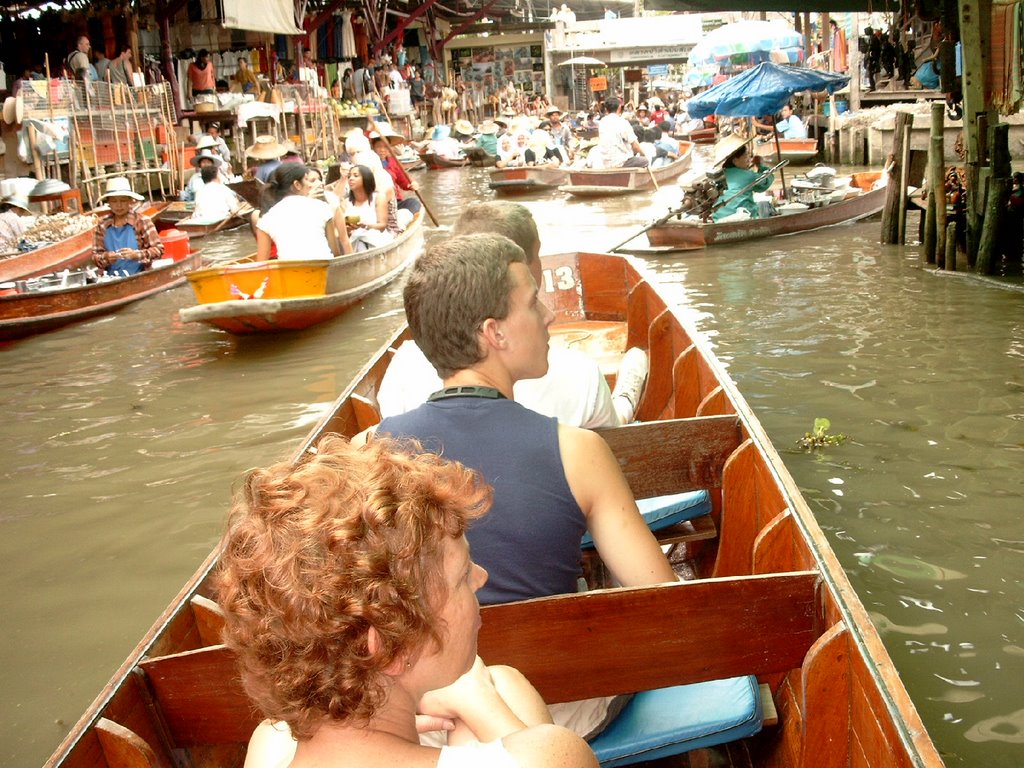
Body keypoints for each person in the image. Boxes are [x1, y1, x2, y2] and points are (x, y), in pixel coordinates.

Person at [217, 435, 597, 768]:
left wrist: (382, 699)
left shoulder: (267, 749)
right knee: (504, 684)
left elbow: (278, 731)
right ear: (388, 653)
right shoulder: (551, 754)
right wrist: (478, 701)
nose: (481, 578)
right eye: (462, 576)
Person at [364, 233, 675, 605]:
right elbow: (665, 599)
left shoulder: (368, 450)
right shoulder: (578, 453)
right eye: (532, 303)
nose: (549, 314)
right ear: (495, 333)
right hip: (547, 660)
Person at [376, 200, 647, 430]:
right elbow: (613, 445)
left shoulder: (400, 369)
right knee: (620, 407)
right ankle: (625, 399)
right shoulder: (579, 373)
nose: (550, 316)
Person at [256, 163, 351, 260]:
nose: (311, 185)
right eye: (307, 180)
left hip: (291, 272)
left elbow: (261, 263)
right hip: (324, 271)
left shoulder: (266, 219)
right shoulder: (322, 207)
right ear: (297, 185)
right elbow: (335, 252)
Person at [92, 177, 163, 275]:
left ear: (130, 201)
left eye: (123, 200)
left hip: (141, 276)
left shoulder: (142, 221)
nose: (119, 205)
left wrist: (136, 255)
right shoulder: (103, 225)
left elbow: (158, 250)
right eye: (114, 201)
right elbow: (95, 256)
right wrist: (106, 258)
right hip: (111, 279)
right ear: (108, 203)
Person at [712, 135, 775, 221]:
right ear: (735, 161)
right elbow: (766, 181)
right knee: (765, 206)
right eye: (745, 156)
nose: (749, 159)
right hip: (739, 217)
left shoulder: (719, 174)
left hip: (718, 217)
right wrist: (761, 165)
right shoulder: (748, 176)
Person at [345, 164, 397, 251]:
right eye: (349, 176)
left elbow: (382, 226)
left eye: (356, 176)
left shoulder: (378, 198)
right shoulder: (345, 203)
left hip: (375, 240)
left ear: (366, 178)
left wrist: (366, 226)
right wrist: (348, 229)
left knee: (361, 244)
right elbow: (343, 230)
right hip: (353, 241)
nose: (351, 179)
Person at [591, 96, 648, 168]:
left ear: (606, 109)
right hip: (621, 162)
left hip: (605, 162)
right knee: (645, 161)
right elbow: (635, 145)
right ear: (619, 108)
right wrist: (644, 155)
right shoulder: (622, 122)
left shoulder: (602, 122)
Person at [372, 135, 422, 215]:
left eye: (386, 146)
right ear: (373, 148)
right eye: (378, 147)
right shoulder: (368, 162)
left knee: (414, 203)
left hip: (395, 201)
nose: (382, 150)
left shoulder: (393, 162)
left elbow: (403, 181)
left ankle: (400, 218)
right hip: (375, 203)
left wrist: (411, 185)